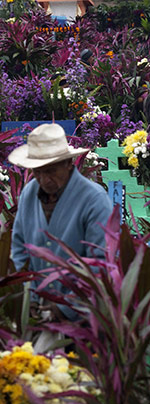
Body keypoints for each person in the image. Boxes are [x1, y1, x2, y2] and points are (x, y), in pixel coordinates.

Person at [10, 124, 113, 321]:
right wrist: (29, 297)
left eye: (51, 171)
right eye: (37, 172)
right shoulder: (29, 194)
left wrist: (67, 307)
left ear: (68, 163)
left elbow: (101, 262)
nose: (43, 179)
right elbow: (19, 249)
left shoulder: (93, 199)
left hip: (84, 319)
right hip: (38, 312)